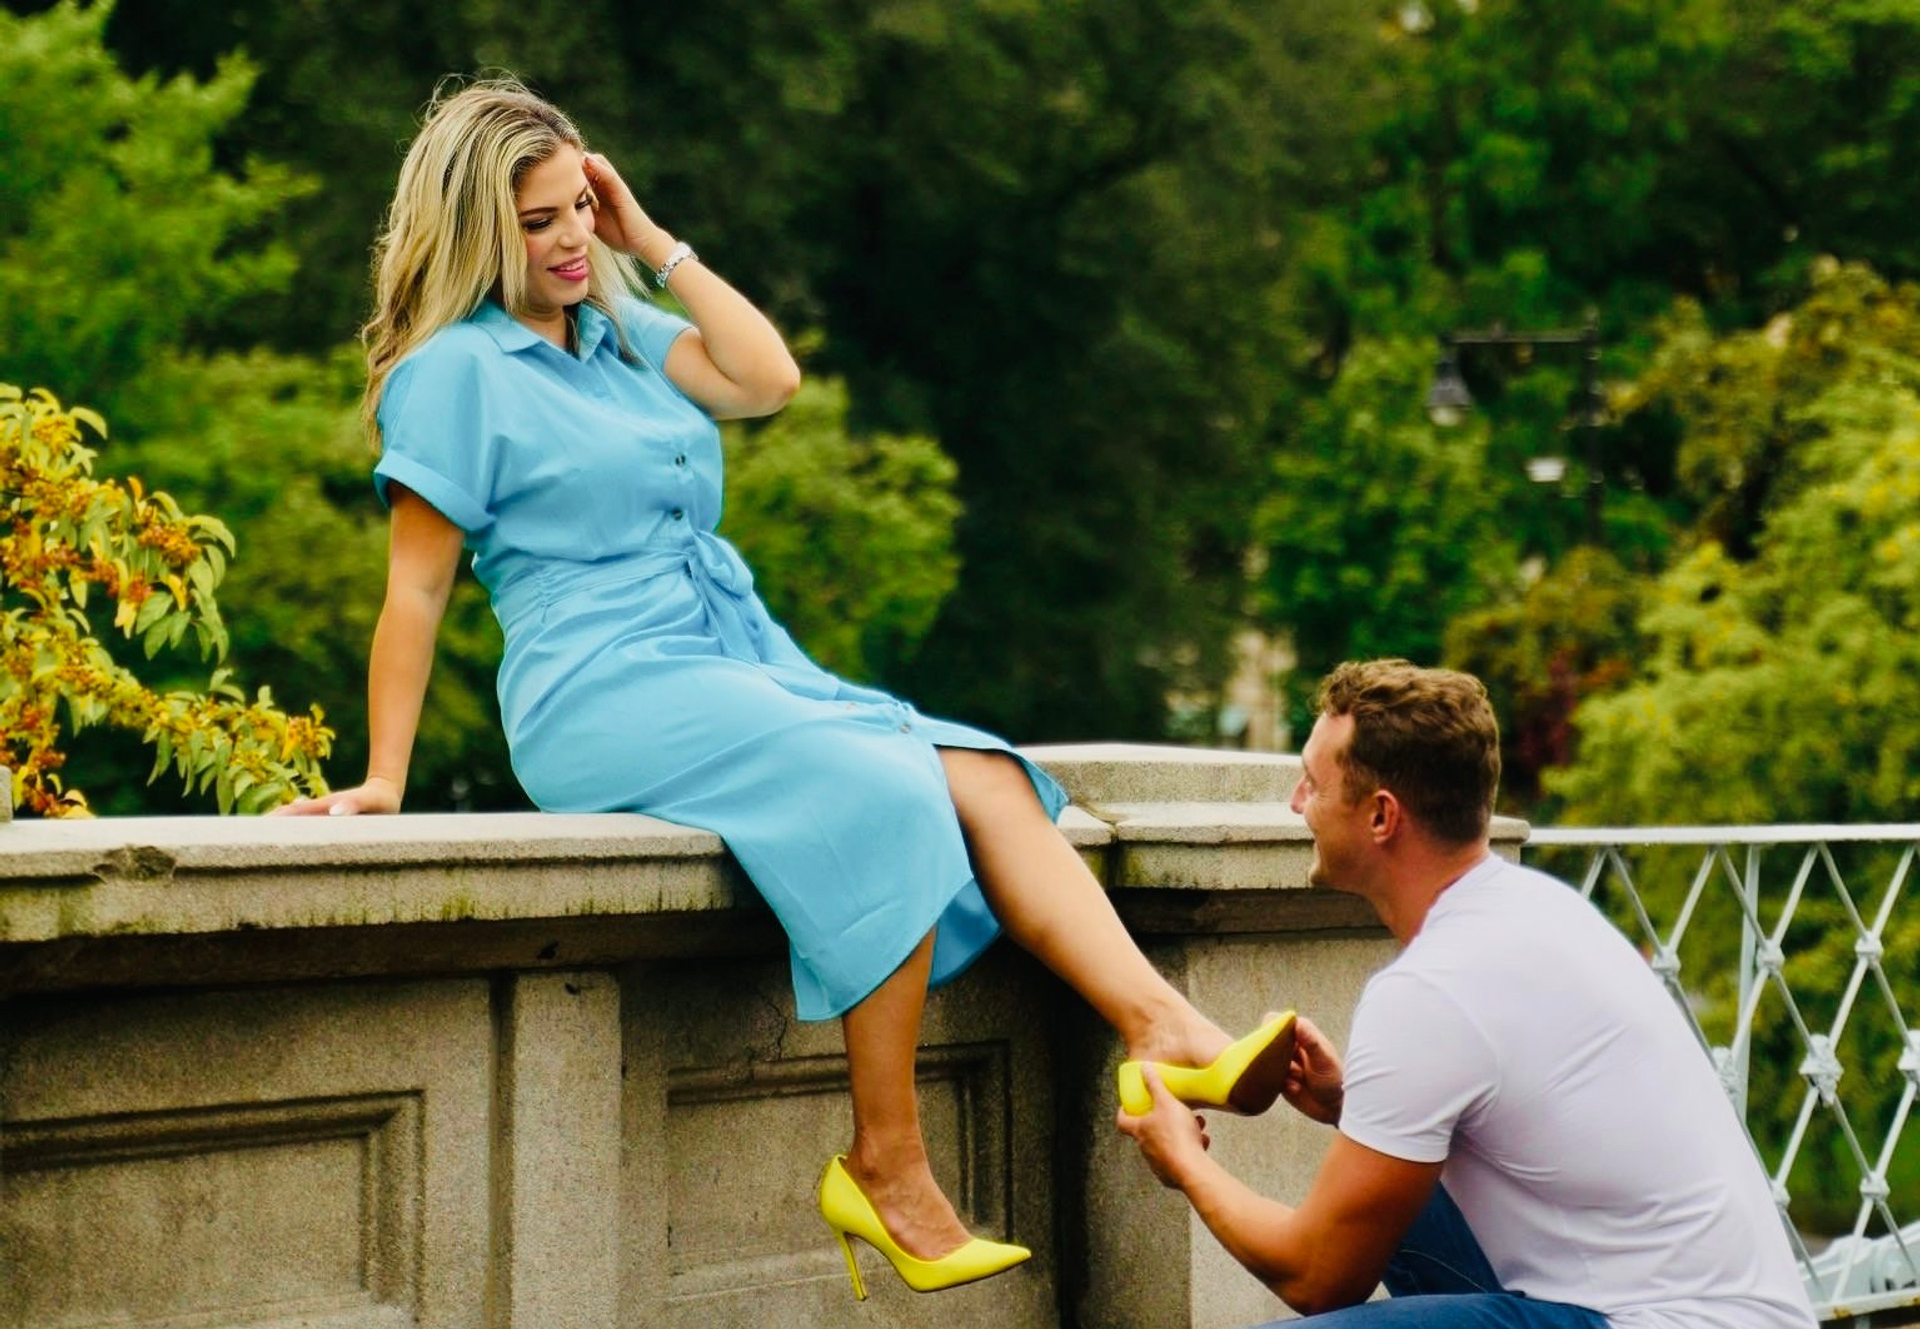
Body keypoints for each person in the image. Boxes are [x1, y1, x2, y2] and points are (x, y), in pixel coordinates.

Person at [277, 76, 1297, 1301]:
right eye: (539, 221)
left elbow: (769, 381)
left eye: (576, 210)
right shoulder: (457, 371)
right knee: (882, 786)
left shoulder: (615, 329)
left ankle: (1161, 1030)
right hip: (596, 686)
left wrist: (649, 240)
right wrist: (384, 777)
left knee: (978, 772)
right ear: (482, 230)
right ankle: (887, 1158)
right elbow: (418, 595)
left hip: (726, 653)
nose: (568, 241)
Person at [1117, 658, 1819, 1329]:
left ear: (1381, 817)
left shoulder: (1432, 990)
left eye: (1313, 783)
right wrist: (1346, 1105)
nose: (1298, 802)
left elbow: (1318, 1277)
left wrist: (1186, 1162)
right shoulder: (1540, 908)